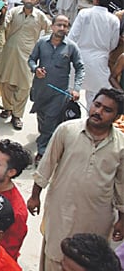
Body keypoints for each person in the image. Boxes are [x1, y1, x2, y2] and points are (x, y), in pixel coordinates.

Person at [28, 88, 124, 271]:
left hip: (97, 217)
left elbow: (122, 185)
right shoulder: (67, 130)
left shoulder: (121, 145)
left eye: (107, 110)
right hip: (61, 211)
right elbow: (47, 164)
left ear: (117, 116)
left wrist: (122, 218)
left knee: (88, 263)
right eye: (97, 105)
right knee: (55, 254)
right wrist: (35, 195)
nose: (98, 112)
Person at [28, 15, 85, 159]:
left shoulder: (71, 47)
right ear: (52, 26)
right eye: (59, 25)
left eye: (65, 26)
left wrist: (76, 89)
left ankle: (42, 152)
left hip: (59, 93)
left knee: (50, 120)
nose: (62, 28)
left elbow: (80, 68)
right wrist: (36, 69)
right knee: (42, 117)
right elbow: (31, 59)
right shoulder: (42, 43)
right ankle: (46, 140)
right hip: (40, 89)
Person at [0, 0, 50, 130]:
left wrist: (43, 47)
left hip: (28, 56)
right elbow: (3, 25)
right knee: (6, 82)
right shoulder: (14, 12)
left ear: (37, 0)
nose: (29, 1)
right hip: (9, 54)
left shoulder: (40, 16)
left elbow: (50, 30)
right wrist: (2, 14)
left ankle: (17, 115)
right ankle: (7, 108)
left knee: (24, 86)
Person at [70, 0, 120, 105]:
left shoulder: (84, 13)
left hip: (79, 57)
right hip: (100, 61)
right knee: (95, 99)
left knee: (72, 93)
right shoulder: (113, 20)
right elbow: (113, 44)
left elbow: (72, 37)